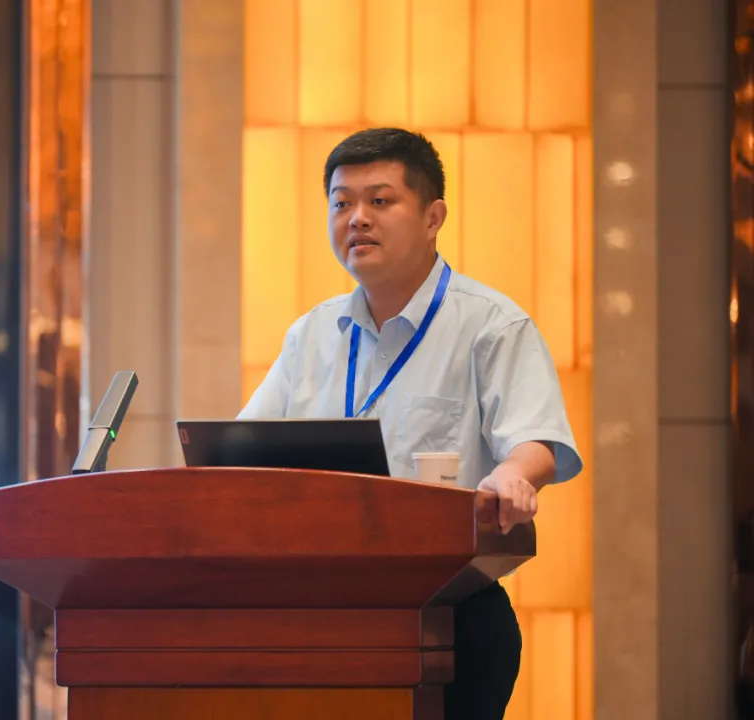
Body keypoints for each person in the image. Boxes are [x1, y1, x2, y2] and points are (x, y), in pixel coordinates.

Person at [237, 127, 583, 720]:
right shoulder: (312, 334)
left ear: (432, 217)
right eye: (341, 203)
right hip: (318, 619)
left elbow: (536, 440)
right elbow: (244, 453)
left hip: (447, 613)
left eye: (380, 200)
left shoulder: (491, 324)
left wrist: (513, 475)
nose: (357, 218)